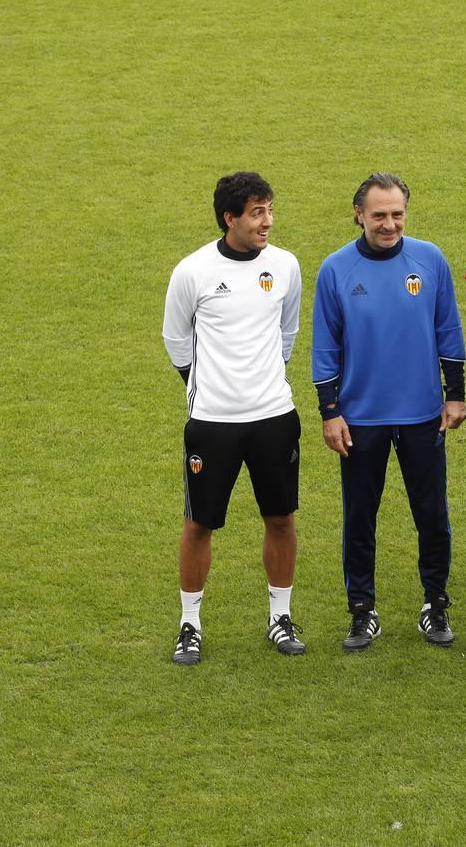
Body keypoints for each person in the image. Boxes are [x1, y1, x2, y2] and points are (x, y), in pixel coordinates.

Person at [312, 173, 466, 652]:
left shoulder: (430, 259)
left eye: (397, 214)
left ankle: (435, 604)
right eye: (378, 215)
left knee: (432, 514)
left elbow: (448, 328)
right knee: (360, 516)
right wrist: (330, 411)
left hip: (422, 414)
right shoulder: (335, 269)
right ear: (358, 214)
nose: (389, 224)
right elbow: (324, 347)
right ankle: (362, 611)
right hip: (360, 419)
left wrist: (455, 394)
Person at [162, 171, 304, 665]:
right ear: (231, 218)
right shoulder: (193, 271)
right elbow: (176, 339)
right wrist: (203, 386)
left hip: (274, 417)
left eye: (269, 209)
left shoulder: (285, 266)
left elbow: (288, 332)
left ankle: (280, 618)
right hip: (212, 422)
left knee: (281, 518)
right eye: (257, 212)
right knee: (199, 523)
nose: (267, 221)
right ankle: (189, 624)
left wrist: (263, 381)